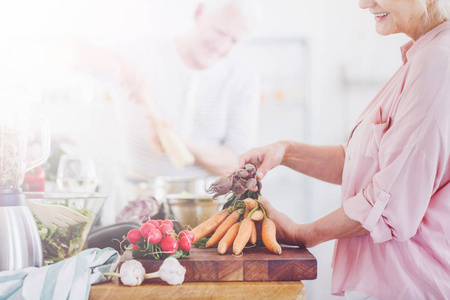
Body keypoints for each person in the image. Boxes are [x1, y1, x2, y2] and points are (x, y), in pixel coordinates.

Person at [239, 0, 450, 299]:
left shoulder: (438, 63)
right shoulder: (424, 55)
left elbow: (390, 198)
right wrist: (285, 152)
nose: (364, 3)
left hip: (417, 284)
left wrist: (303, 233)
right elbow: (363, 163)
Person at [110, 0, 262, 182]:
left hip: (206, 200)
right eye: (220, 32)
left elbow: (237, 161)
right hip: (136, 189)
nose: (222, 46)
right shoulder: (146, 53)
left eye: (234, 40)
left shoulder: (242, 76)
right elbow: (73, 50)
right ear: (199, 12)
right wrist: (119, 62)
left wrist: (178, 142)